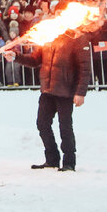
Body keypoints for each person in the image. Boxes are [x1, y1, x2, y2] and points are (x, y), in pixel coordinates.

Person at [9, 27, 91, 171]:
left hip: (66, 90)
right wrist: (16, 56)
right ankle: (52, 159)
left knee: (65, 127)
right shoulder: (47, 35)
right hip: (47, 90)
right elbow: (35, 60)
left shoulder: (77, 38)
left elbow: (84, 68)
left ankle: (69, 162)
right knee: (42, 124)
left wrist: (81, 92)